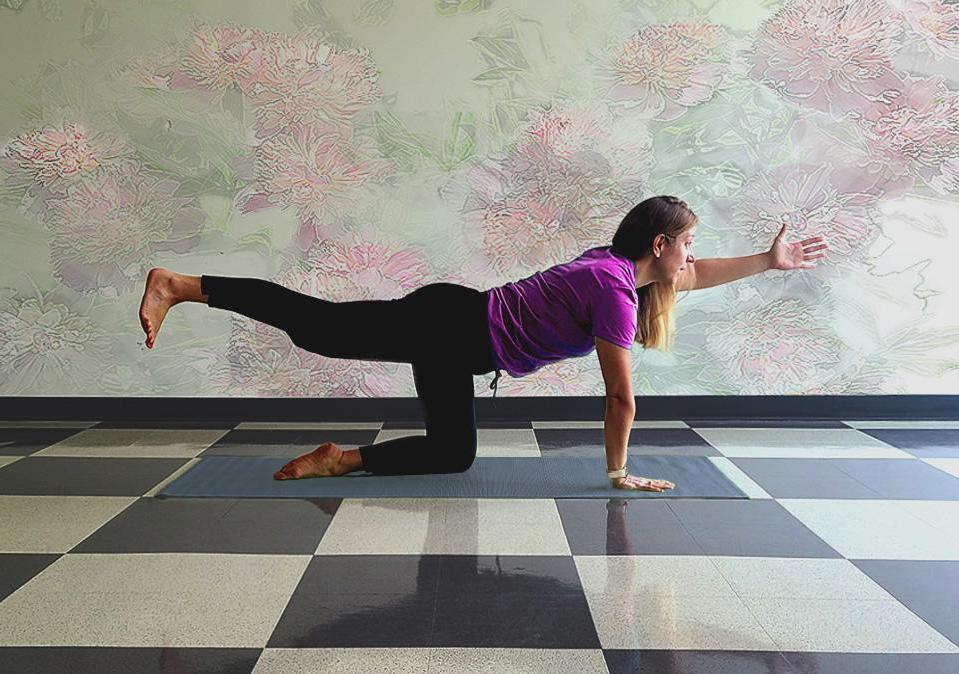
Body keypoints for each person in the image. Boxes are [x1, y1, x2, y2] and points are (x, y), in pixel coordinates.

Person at [138, 195, 827, 493]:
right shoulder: (613, 290)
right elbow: (620, 397)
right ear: (658, 245)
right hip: (450, 329)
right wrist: (616, 472)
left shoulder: (615, 268)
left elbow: (694, 276)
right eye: (687, 242)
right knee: (314, 326)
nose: (692, 255)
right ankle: (179, 283)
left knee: (451, 452)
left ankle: (336, 459)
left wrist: (768, 263)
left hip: (458, 331)